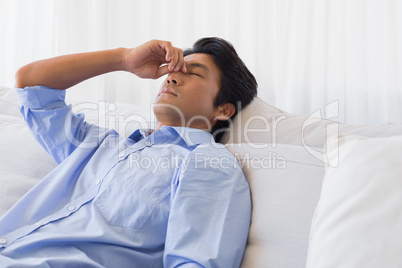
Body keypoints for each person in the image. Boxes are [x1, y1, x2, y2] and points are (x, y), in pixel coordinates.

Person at [0, 38, 257, 267]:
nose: (171, 77)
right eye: (173, 69)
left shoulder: (206, 162)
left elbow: (196, 261)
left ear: (223, 110)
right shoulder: (97, 145)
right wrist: (124, 59)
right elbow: (30, 84)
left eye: (194, 74)